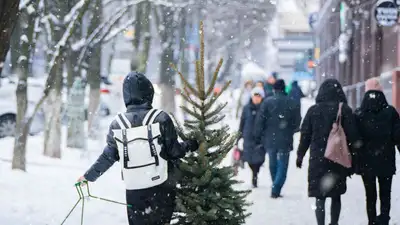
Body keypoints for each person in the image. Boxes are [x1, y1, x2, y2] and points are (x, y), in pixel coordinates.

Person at [77, 72, 199, 225]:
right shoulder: (161, 118)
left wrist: (88, 177)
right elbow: (175, 152)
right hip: (161, 187)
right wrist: (193, 144)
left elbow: (108, 157)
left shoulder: (118, 124)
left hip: (134, 190)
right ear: (149, 93)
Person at [296, 78, 361, 225]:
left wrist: (300, 155)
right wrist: (355, 158)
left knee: (320, 196)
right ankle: (334, 223)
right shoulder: (344, 109)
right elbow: (353, 136)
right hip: (337, 158)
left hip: (318, 159)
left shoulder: (313, 110)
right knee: (336, 195)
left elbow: (305, 135)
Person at [354, 78, 400, 225]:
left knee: (370, 194)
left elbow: (355, 138)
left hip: (366, 161)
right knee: (386, 193)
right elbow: (398, 135)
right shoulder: (390, 112)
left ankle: (372, 221)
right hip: (386, 160)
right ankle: (384, 219)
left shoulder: (359, 113)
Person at [253, 79, 301, 198]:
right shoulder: (291, 102)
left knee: (273, 163)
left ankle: (275, 185)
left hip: (270, 139)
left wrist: (258, 136)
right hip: (285, 139)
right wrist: (290, 130)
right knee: (283, 165)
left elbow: (260, 121)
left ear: (274, 89)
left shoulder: (267, 102)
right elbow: (297, 122)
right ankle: (276, 187)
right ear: (284, 88)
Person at [237, 86, 266, 188]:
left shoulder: (264, 108)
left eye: (259, 96)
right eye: (255, 96)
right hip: (248, 137)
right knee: (249, 159)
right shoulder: (246, 108)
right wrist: (238, 136)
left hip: (260, 138)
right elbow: (242, 122)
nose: (256, 98)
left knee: (259, 159)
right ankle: (254, 174)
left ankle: (255, 174)